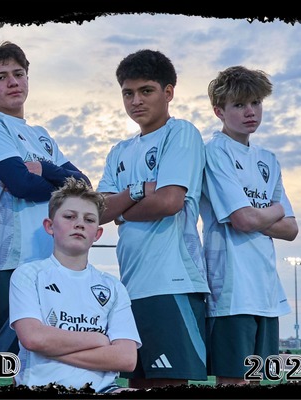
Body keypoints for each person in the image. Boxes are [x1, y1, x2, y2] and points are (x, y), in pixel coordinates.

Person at [0, 42, 89, 358]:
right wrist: (60, 183)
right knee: (21, 367)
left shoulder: (42, 135)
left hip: (57, 263)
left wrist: (45, 169)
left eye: (19, 74)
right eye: (1, 77)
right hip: (13, 264)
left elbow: (85, 188)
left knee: (62, 366)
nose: (13, 82)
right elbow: (21, 184)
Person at [97, 49, 208, 389]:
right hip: (131, 286)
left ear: (168, 92)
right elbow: (98, 211)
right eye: (128, 93)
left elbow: (169, 202)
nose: (136, 101)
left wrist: (121, 208)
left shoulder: (181, 133)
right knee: (137, 383)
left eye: (146, 91)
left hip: (172, 282)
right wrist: (137, 190)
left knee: (168, 383)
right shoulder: (118, 151)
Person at [200, 66, 298, 385]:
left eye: (256, 103)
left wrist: (259, 215)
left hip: (266, 290)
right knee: (233, 381)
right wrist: (276, 209)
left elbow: (291, 229)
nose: (250, 112)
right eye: (239, 105)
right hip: (232, 291)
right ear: (219, 111)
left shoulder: (268, 159)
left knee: (256, 380)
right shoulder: (215, 151)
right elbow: (242, 220)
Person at [10, 178, 140, 393]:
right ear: (49, 226)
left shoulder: (113, 286)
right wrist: (98, 340)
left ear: (97, 234)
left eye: (89, 220)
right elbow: (33, 339)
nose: (79, 224)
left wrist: (52, 348)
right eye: (69, 216)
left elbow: (126, 358)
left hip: (103, 389)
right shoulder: (29, 275)